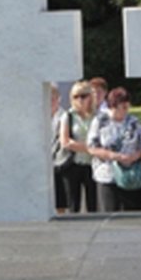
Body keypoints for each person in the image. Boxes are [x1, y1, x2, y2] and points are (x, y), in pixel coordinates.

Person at [87, 87, 141, 211]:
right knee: (110, 214)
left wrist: (133, 157)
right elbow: (92, 148)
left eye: (128, 107)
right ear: (113, 106)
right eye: (123, 107)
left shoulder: (133, 121)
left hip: (131, 176)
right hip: (108, 175)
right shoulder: (100, 121)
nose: (126, 110)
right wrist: (114, 156)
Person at [58, 81, 98, 213]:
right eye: (75, 96)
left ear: (90, 97)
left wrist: (93, 150)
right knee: (73, 205)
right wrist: (90, 148)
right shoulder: (68, 116)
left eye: (83, 96)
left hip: (93, 164)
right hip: (73, 164)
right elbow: (65, 142)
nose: (79, 100)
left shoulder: (97, 116)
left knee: (94, 204)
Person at [49, 84, 69, 213]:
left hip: (59, 163)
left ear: (59, 98)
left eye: (53, 98)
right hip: (44, 163)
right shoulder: (39, 116)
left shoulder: (64, 116)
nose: (50, 102)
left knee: (60, 201)